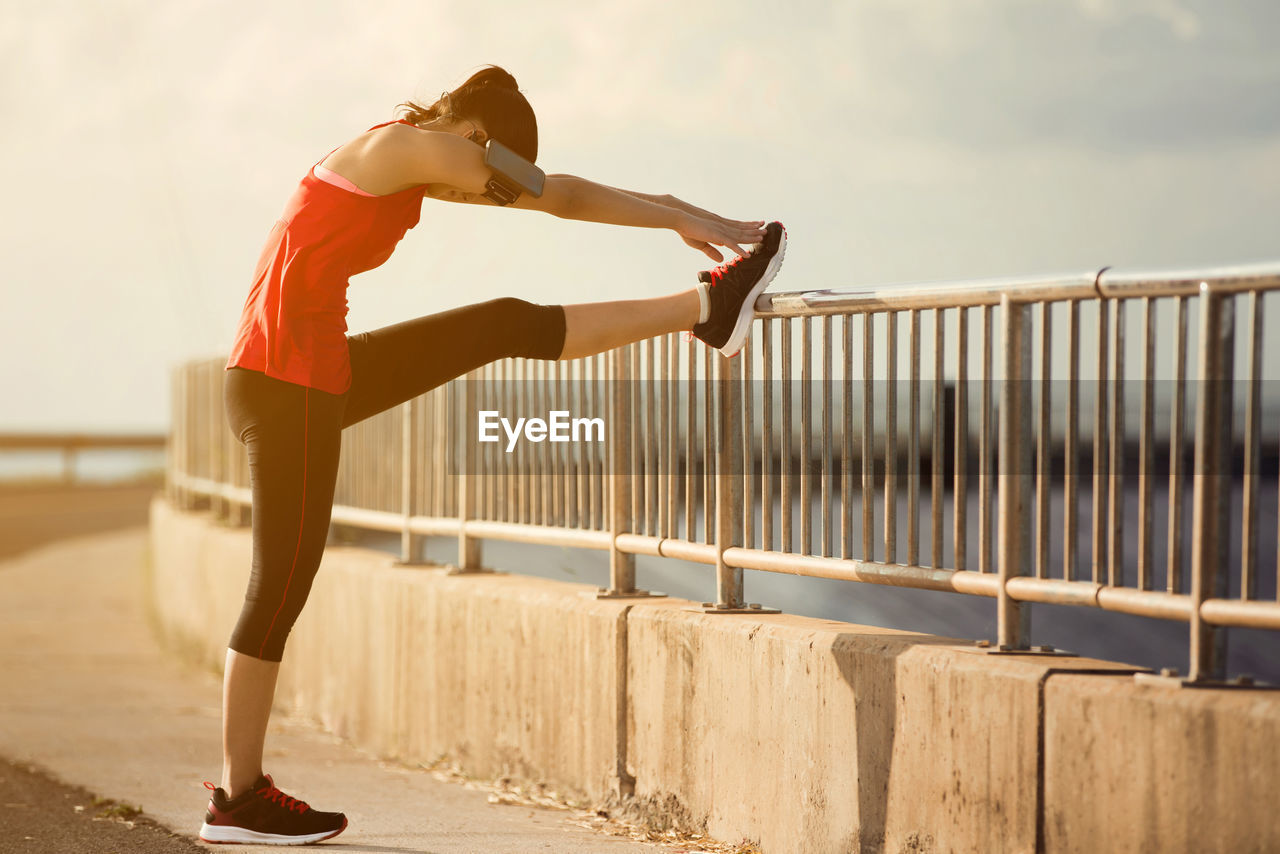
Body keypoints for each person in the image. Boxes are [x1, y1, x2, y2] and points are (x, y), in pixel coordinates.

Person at [199, 65, 785, 846]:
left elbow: (550, 190)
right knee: (279, 589)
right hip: (290, 380)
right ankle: (240, 799)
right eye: (494, 167)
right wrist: (675, 213)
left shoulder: (400, 163)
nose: (491, 188)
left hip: (300, 370)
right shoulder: (407, 148)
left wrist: (674, 210)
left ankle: (708, 308)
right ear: (477, 136)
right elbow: (560, 195)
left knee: (503, 324)